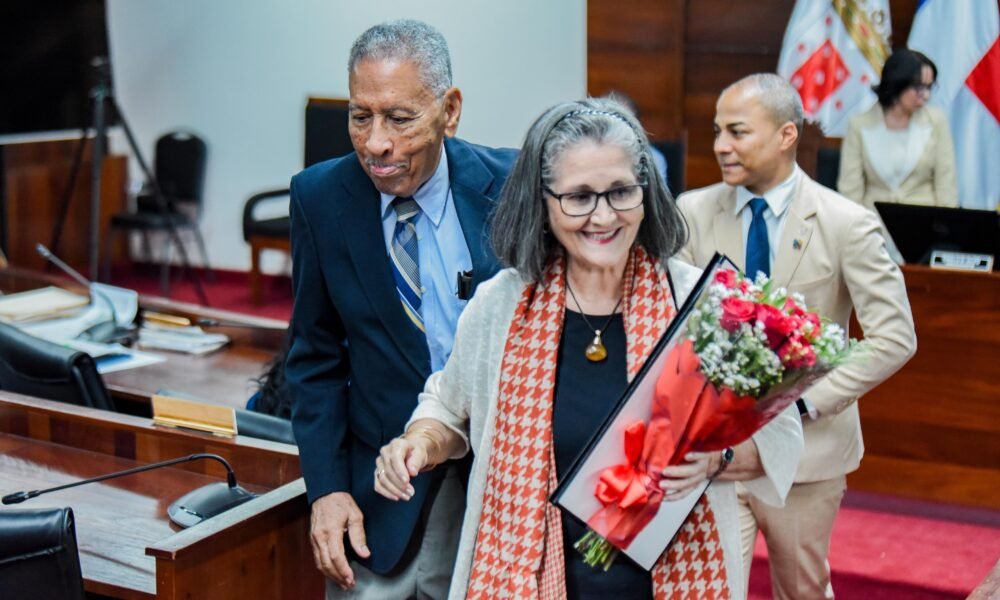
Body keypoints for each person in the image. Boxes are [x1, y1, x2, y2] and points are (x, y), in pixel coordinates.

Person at [374, 97, 803, 599]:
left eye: (621, 191)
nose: (603, 216)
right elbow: (448, 407)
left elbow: (780, 437)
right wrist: (419, 444)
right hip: (528, 581)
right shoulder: (503, 305)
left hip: (669, 583)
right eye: (578, 197)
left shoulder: (703, 302)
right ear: (543, 202)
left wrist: (715, 460)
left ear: (647, 193)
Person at [285, 19, 517, 599]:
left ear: (450, 109)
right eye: (360, 117)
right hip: (379, 500)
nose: (376, 144)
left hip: (499, 491)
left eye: (399, 118)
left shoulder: (513, 186)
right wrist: (328, 490)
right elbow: (313, 360)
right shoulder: (319, 198)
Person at [676, 73, 917, 599]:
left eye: (737, 131)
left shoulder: (848, 223)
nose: (721, 145)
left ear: (787, 135)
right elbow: (674, 324)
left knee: (801, 589)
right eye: (717, 131)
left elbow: (895, 337)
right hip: (715, 450)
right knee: (711, 588)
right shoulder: (691, 213)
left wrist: (802, 403)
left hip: (809, 455)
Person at [838, 49, 957, 209]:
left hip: (924, 224)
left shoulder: (936, 121)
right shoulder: (859, 125)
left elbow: (946, 185)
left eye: (929, 87)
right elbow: (850, 192)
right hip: (873, 226)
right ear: (898, 83)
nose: (926, 95)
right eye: (919, 87)